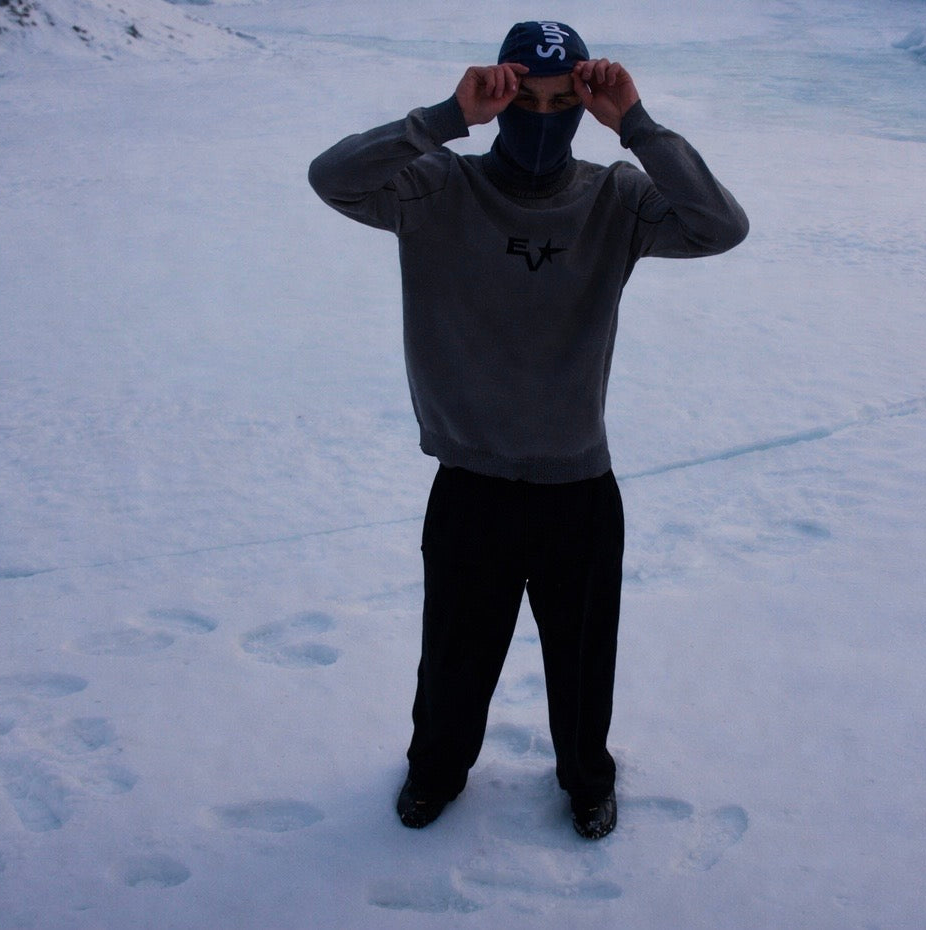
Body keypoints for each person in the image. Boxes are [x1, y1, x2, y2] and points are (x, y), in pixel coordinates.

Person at [308, 21, 747, 840]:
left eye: (559, 103)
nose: (542, 121)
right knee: (454, 658)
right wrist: (446, 117)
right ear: (499, 95)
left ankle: (587, 781)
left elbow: (720, 226)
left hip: (577, 485)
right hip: (470, 482)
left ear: (582, 105)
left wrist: (637, 125)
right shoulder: (436, 187)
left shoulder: (616, 198)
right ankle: (435, 774)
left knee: (582, 665)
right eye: (526, 101)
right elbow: (331, 178)